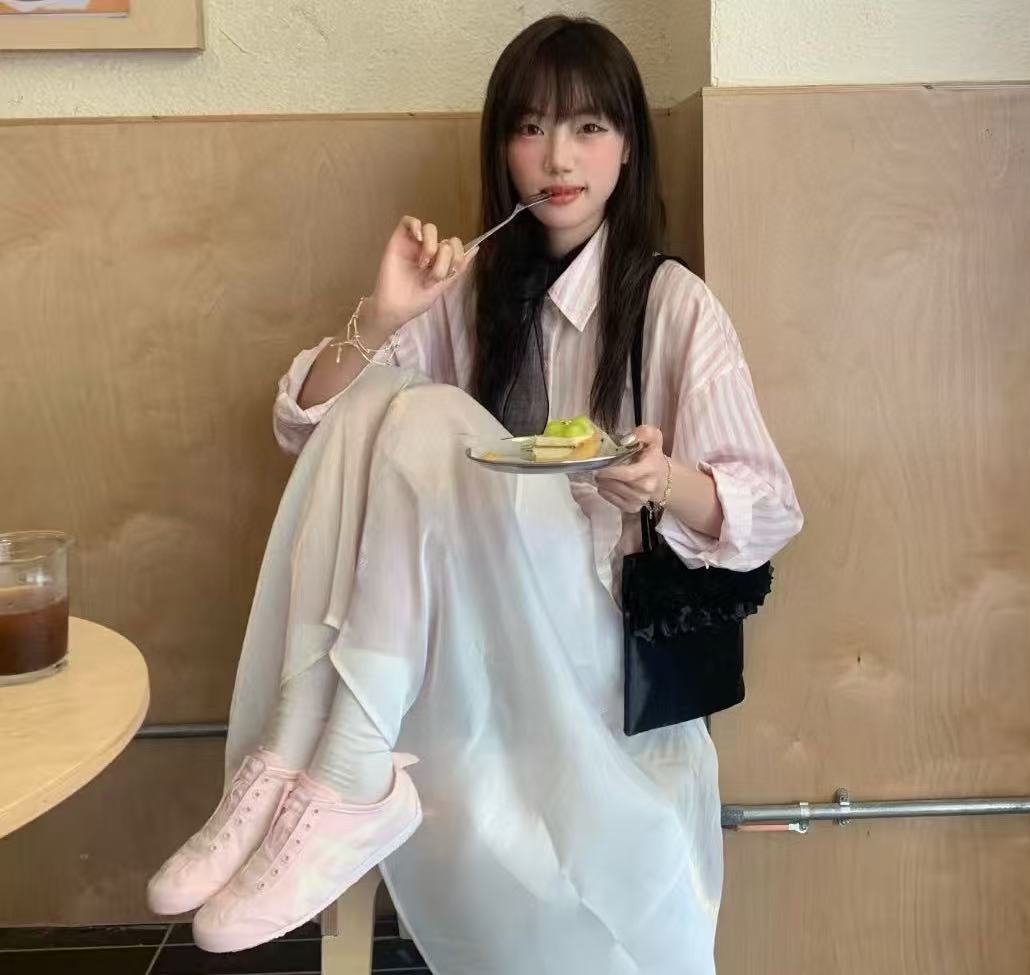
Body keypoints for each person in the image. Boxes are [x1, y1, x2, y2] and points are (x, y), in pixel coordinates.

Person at [147, 14, 803, 974]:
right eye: (531, 127)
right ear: (503, 149)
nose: (557, 157)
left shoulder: (671, 303)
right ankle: (301, 760)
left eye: (588, 127)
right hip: (470, 647)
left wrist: (660, 480)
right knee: (382, 408)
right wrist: (382, 317)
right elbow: (308, 433)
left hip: (597, 655)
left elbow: (770, 509)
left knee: (420, 416)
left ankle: (334, 765)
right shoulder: (472, 290)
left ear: (628, 147)